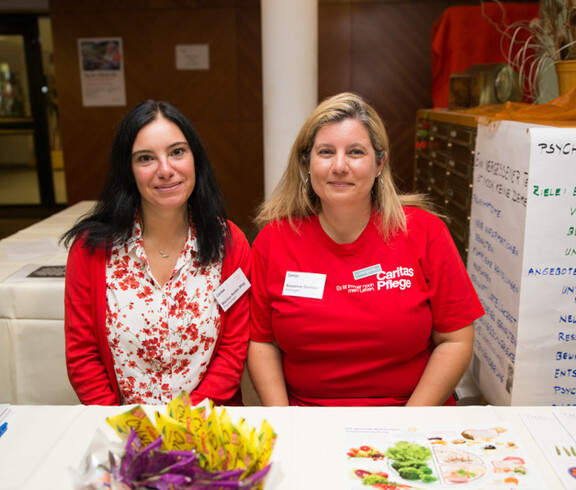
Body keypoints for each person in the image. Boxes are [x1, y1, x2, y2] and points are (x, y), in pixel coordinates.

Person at [247, 92, 484, 407]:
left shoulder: (425, 232)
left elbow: (455, 339)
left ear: (379, 163)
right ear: (307, 162)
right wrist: (285, 422)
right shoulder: (274, 240)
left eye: (356, 152)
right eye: (326, 152)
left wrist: (409, 424)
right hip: (308, 417)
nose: (340, 166)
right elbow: (262, 342)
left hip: (411, 414)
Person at [61, 100, 250, 406]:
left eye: (177, 152)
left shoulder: (229, 244)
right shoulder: (90, 250)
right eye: (146, 158)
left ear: (195, 159)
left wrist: (181, 425)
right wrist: (128, 429)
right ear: (128, 169)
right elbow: (83, 355)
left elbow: (233, 349)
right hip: (123, 432)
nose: (166, 170)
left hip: (206, 425)